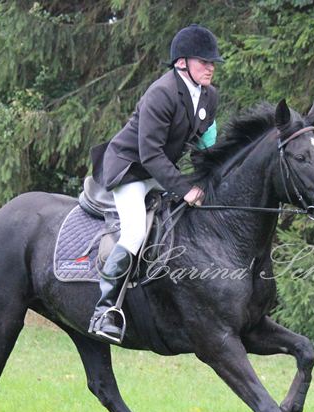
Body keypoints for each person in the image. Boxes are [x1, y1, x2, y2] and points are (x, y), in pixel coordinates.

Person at [87, 24, 223, 342]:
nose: (210, 67)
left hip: (159, 172)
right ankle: (105, 310)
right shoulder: (161, 93)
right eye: (203, 61)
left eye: (212, 62)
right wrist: (186, 189)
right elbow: (149, 154)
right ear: (181, 63)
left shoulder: (209, 95)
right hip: (130, 170)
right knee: (135, 232)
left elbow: (207, 143)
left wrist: (214, 175)